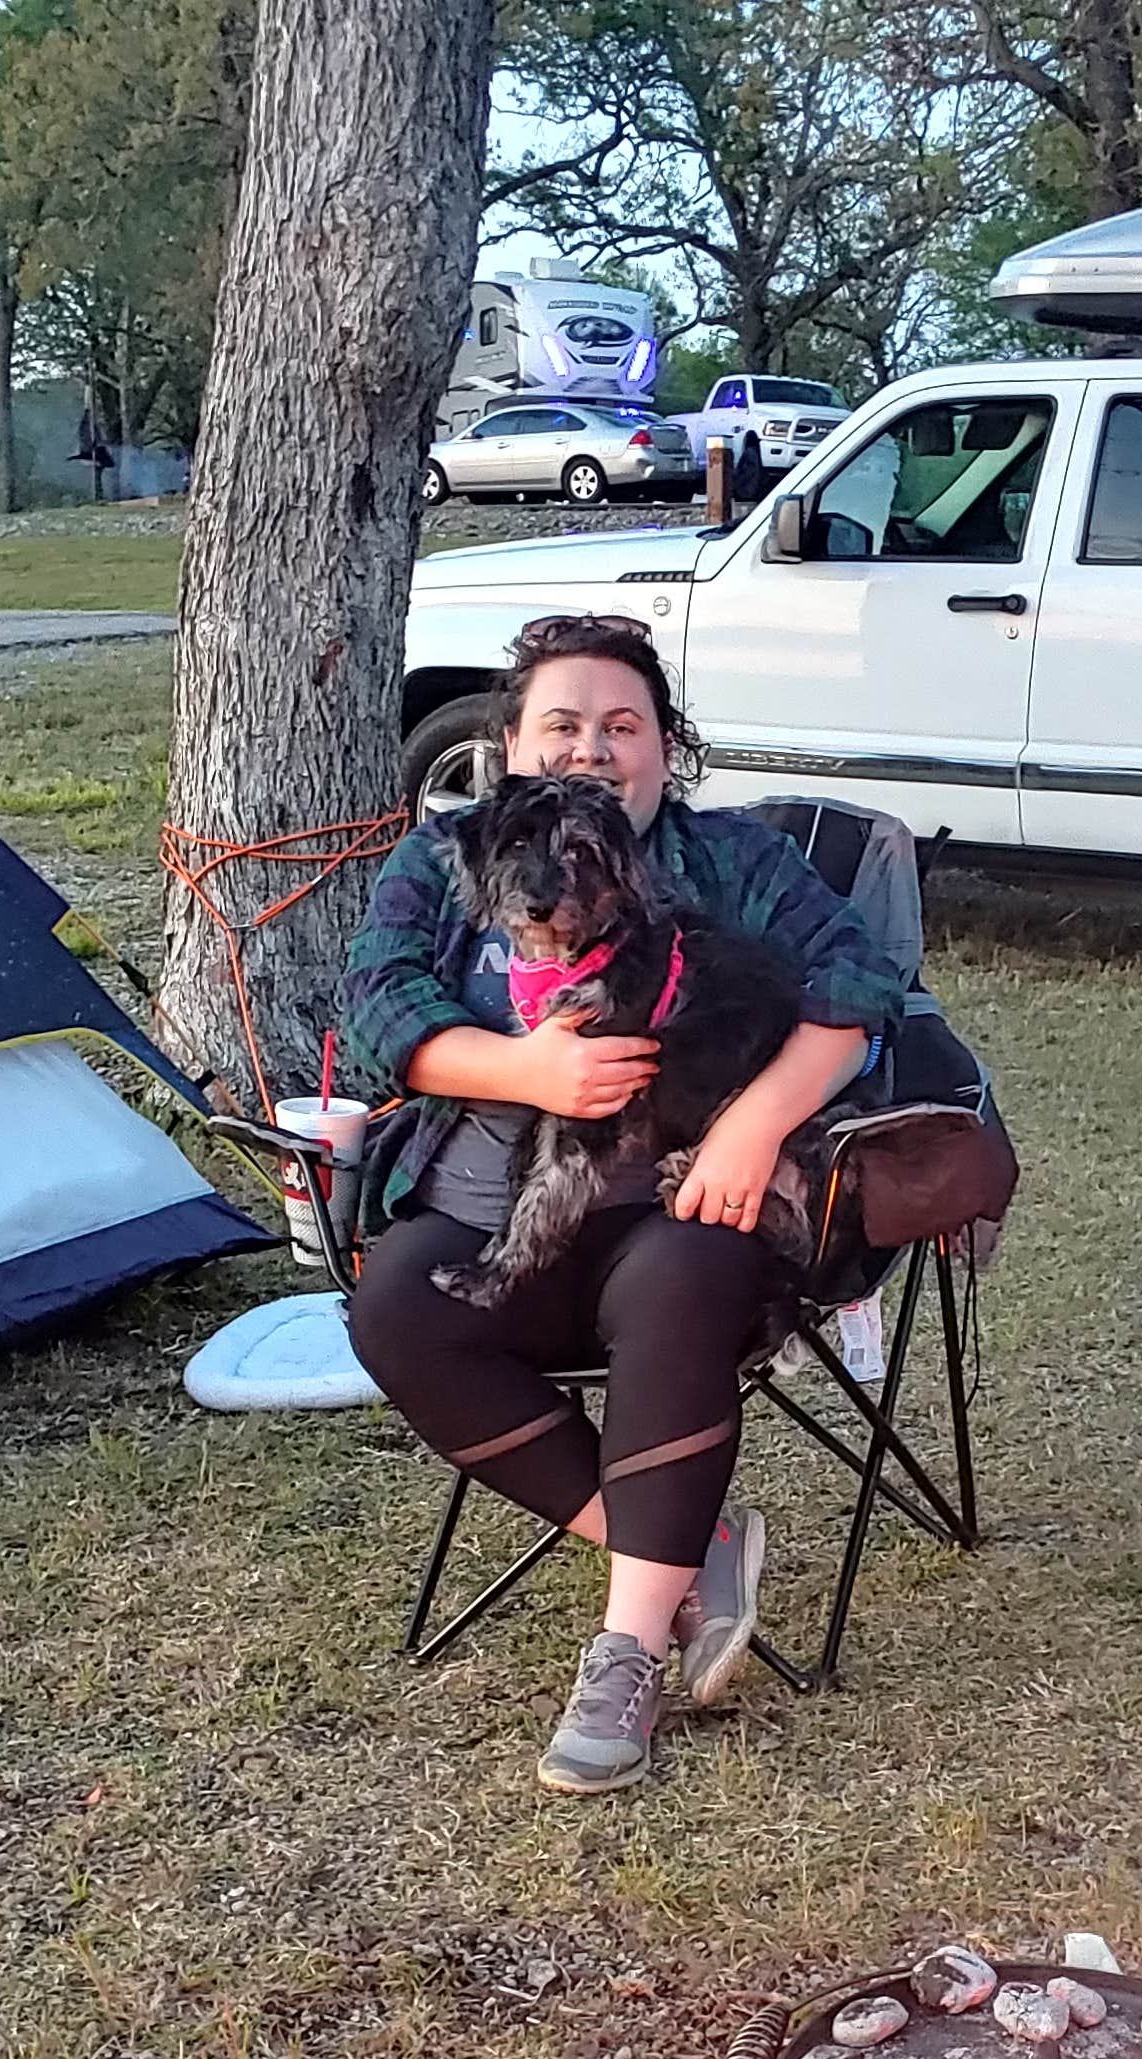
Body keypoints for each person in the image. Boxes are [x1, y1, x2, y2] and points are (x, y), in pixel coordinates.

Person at [340, 614, 908, 1795]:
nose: (592, 748)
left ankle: (627, 1648)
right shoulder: (445, 856)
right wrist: (525, 1069)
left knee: (686, 1271)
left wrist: (756, 1124)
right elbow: (380, 1007)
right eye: (563, 725)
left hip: (679, 1179)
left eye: (623, 726)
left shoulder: (735, 863)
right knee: (396, 1316)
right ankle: (690, 1541)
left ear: (663, 749)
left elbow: (860, 980)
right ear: (512, 746)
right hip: (491, 1184)